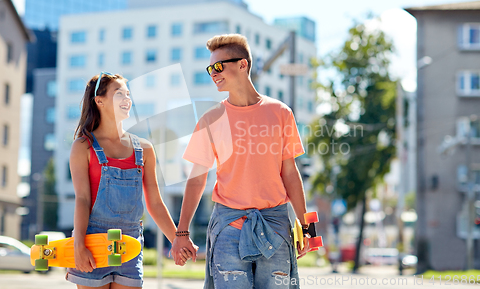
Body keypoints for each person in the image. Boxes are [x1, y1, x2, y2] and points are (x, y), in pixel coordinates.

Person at [171, 34, 312, 289]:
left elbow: (290, 173)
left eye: (218, 66)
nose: (213, 73)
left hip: (276, 227)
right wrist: (182, 233)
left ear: (242, 64)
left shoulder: (280, 113)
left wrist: (306, 225)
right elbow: (196, 179)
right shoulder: (210, 119)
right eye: (210, 68)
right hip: (228, 229)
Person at [67, 72, 194, 289]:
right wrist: (78, 243)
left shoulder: (144, 148)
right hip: (93, 241)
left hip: (131, 244)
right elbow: (82, 199)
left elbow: (155, 203)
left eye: (128, 94)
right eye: (119, 94)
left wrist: (178, 239)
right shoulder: (82, 146)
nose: (127, 100)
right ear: (100, 101)